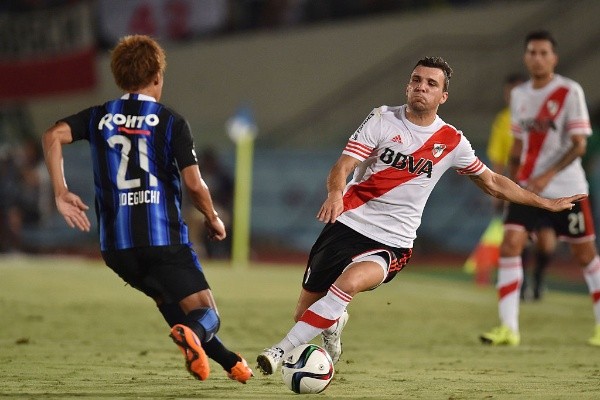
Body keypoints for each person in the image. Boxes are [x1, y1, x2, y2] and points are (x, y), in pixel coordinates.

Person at [255, 56, 584, 375]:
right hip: (347, 224)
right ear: (407, 86)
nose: (420, 87)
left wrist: (545, 203)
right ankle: (335, 320)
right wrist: (334, 193)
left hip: (392, 241)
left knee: (350, 282)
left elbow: (494, 182)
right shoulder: (382, 119)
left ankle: (279, 351)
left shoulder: (452, 141)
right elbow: (344, 165)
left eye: (430, 83)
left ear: (443, 96)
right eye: (416, 80)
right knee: (304, 313)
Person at [42, 35, 253, 383]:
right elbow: (195, 184)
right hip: (163, 240)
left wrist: (61, 191)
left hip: (117, 248)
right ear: (157, 76)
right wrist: (212, 217)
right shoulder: (170, 122)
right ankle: (196, 340)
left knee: (166, 298)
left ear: (119, 77)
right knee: (207, 314)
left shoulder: (98, 117)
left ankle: (230, 362)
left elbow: (52, 136)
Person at [480, 30, 600, 347]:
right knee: (510, 245)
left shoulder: (569, 91)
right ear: (525, 56)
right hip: (527, 188)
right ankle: (509, 328)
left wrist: (547, 176)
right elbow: (518, 146)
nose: (537, 58)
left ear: (554, 58)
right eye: (532, 52)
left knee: (585, 255)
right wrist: (508, 183)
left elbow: (579, 146)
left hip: (569, 188)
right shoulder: (519, 96)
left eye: (544, 53)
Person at [487, 72, 556, 301]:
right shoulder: (502, 120)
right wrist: (497, 190)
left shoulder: (541, 117)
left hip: (545, 188)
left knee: (547, 243)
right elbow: (499, 158)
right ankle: (523, 282)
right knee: (520, 237)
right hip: (517, 187)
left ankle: (538, 276)